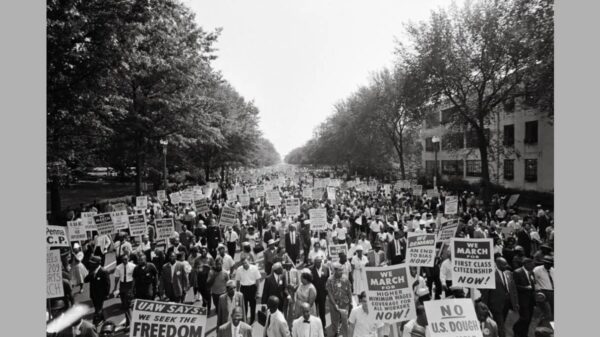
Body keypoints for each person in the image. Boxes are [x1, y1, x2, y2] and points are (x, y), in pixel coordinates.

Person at [480, 257, 519, 337]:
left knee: (501, 323)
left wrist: (516, 302)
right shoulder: (491, 275)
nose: (506, 266)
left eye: (506, 264)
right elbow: (486, 292)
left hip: (507, 304)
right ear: (497, 264)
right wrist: (484, 306)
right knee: (501, 326)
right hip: (495, 304)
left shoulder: (509, 273)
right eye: (503, 265)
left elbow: (513, 289)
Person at [327, 262, 353, 337]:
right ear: (335, 271)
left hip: (345, 304)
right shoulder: (330, 280)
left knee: (345, 321)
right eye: (339, 270)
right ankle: (336, 333)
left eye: (342, 270)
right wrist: (334, 304)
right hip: (334, 304)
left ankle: (346, 335)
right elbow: (329, 293)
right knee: (335, 320)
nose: (341, 272)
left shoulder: (345, 278)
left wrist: (351, 302)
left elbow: (349, 291)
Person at [235, 257, 262, 324]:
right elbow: (238, 281)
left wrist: (258, 292)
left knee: (253, 306)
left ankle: (252, 320)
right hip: (243, 289)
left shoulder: (254, 268)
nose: (245, 264)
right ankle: (244, 320)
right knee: (244, 307)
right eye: (243, 263)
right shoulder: (239, 269)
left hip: (252, 288)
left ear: (249, 262)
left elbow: (258, 280)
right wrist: (237, 292)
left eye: (246, 263)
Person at [84, 255, 110, 324]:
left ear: (97, 264)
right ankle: (103, 319)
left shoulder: (104, 271)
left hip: (101, 295)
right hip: (93, 294)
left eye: (92, 263)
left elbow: (107, 284)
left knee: (98, 309)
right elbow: (85, 280)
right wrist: (91, 274)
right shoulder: (92, 271)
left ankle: (96, 322)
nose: (91, 264)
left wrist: (107, 294)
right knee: (97, 308)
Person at [112, 253, 135, 329]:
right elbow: (117, 278)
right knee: (125, 306)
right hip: (122, 286)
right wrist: (115, 287)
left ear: (128, 258)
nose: (124, 261)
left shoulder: (133, 266)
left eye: (126, 259)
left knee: (129, 305)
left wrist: (134, 287)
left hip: (130, 285)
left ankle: (131, 322)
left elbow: (135, 277)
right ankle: (128, 322)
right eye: (123, 259)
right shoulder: (118, 267)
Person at [513, 258, 536, 337]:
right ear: (526, 264)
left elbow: (533, 285)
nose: (533, 265)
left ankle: (524, 334)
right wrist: (525, 288)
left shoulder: (531, 272)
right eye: (531, 264)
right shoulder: (517, 272)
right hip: (522, 299)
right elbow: (514, 286)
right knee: (525, 318)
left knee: (529, 319)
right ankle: (515, 328)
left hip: (531, 300)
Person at [310, 257, 329, 331]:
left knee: (322, 310)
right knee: (313, 311)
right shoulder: (310, 269)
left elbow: (327, 279)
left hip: (322, 293)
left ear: (321, 262)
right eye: (316, 262)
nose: (318, 263)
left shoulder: (326, 268)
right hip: (313, 293)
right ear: (314, 262)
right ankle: (314, 326)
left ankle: (323, 326)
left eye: (319, 262)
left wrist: (326, 291)